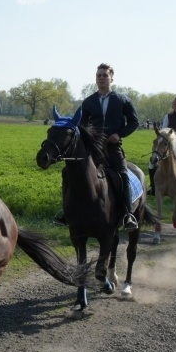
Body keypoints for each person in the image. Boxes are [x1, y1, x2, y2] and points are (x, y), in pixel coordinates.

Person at [56, 63, 140, 231]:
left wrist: (119, 134)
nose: (101, 78)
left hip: (113, 148)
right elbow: (81, 125)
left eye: (104, 75)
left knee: (123, 175)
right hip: (92, 150)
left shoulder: (123, 100)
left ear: (111, 78)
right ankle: (66, 211)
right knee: (69, 172)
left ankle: (128, 214)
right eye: (98, 75)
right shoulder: (88, 102)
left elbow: (134, 122)